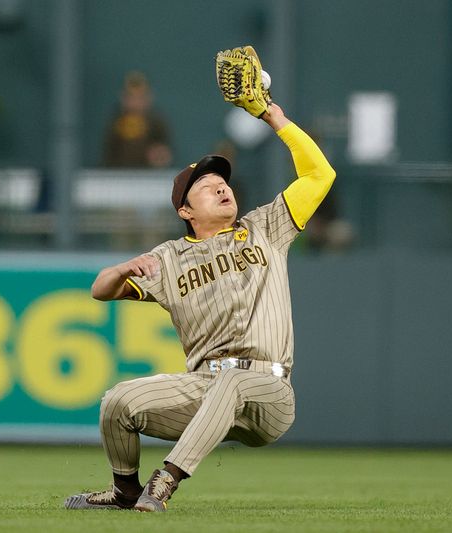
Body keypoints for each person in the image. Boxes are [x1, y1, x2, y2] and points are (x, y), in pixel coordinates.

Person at [65, 101, 335, 512]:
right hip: (205, 388)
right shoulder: (169, 258)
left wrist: (273, 118)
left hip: (270, 391)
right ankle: (125, 491)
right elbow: (99, 290)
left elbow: (320, 174)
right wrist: (121, 268)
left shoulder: (264, 228)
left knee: (235, 379)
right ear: (185, 210)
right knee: (117, 402)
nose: (223, 187)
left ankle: (166, 481)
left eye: (223, 182)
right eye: (208, 186)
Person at [102, 71, 172, 168]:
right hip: (120, 174)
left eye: (140, 97)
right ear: (123, 98)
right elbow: (108, 153)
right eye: (131, 97)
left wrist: (159, 156)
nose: (136, 102)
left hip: (148, 175)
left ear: (148, 98)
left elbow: (165, 153)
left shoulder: (156, 122)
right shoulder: (116, 121)